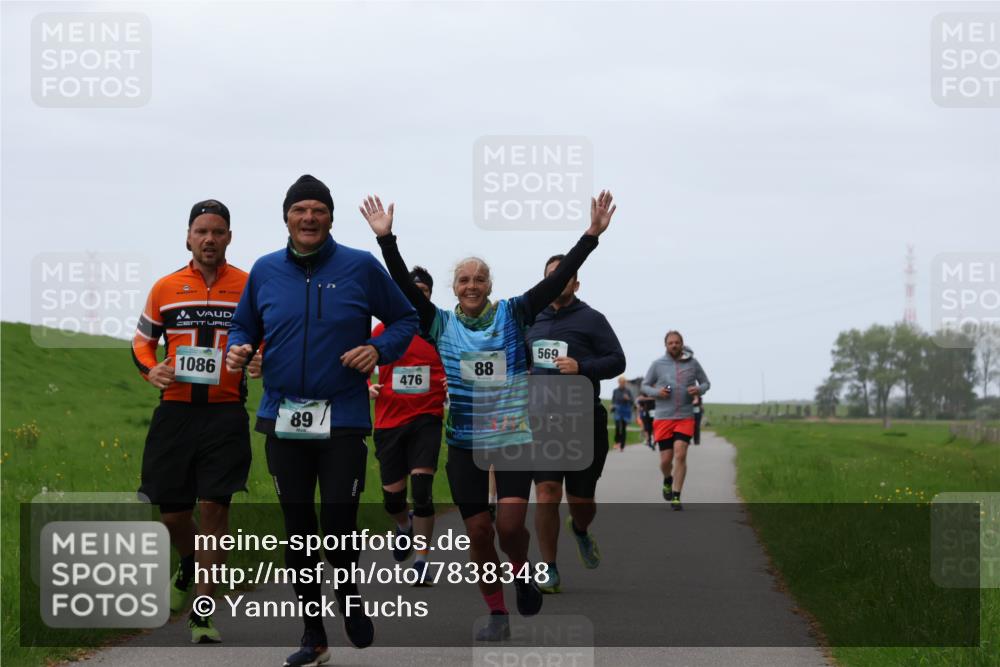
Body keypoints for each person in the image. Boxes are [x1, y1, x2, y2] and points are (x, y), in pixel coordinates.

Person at [361, 190, 616, 641]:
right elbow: (403, 286)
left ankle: (520, 570)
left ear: (490, 285)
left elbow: (555, 282)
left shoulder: (515, 314)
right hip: (464, 443)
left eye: (479, 278)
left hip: (513, 438)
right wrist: (386, 239)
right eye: (463, 279)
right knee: (479, 532)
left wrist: (591, 235)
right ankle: (497, 613)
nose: (472, 285)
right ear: (454, 287)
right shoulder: (439, 323)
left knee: (510, 527)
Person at [226, 175, 419, 667]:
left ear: (330, 218)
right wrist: (239, 347)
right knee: (298, 530)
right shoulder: (265, 270)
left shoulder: (360, 266)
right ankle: (313, 635)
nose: (309, 217)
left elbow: (405, 319)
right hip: (283, 418)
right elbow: (243, 324)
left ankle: (349, 596)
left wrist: (377, 349)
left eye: (318, 210)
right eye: (300, 210)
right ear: (286, 217)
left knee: (336, 523)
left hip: (343, 419)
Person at [131, 199, 252, 644]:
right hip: (176, 413)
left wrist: (259, 357)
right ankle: (188, 560)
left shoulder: (248, 286)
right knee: (172, 515)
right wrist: (151, 371)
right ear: (188, 237)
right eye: (201, 231)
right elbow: (142, 342)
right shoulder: (165, 288)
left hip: (225, 414)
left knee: (214, 510)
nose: (209, 239)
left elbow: (267, 339)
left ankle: (202, 613)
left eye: (218, 232)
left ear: (229, 238)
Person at [526, 256, 626, 593]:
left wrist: (581, 367)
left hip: (584, 421)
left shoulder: (592, 319)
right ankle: (549, 568)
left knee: (581, 501)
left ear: (576, 283)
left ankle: (580, 529)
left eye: (567, 275)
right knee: (546, 493)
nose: (559, 280)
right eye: (553, 275)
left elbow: (618, 361)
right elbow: (515, 360)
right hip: (543, 422)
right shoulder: (530, 319)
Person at [367, 265, 446, 584]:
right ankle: (403, 525)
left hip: (427, 417)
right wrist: (367, 386)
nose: (415, 297)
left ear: (430, 295)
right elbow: (361, 364)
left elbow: (459, 363)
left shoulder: (439, 331)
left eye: (422, 292)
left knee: (423, 492)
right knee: (393, 500)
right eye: (409, 292)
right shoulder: (383, 329)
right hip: (389, 419)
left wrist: (452, 383)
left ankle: (422, 561)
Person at [641, 331, 711, 511]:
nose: (674, 345)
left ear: (682, 344)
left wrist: (699, 390)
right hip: (663, 417)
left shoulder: (693, 363)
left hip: (685, 416)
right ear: (666, 345)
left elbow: (706, 383)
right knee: (666, 460)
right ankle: (667, 479)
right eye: (670, 342)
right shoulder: (657, 364)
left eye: (677, 342)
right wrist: (658, 392)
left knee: (680, 454)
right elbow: (645, 386)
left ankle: (676, 496)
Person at [611, 377, 634, 452]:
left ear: (625, 383)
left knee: (623, 428)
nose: (622, 383)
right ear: (618, 382)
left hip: (625, 410)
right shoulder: (615, 391)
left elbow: (632, 402)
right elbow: (613, 401)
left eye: (623, 382)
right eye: (621, 382)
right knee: (617, 427)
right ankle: (617, 442)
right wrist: (612, 406)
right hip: (618, 410)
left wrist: (628, 398)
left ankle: (622, 446)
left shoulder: (628, 391)